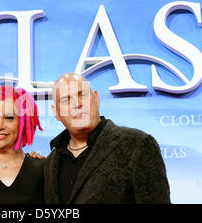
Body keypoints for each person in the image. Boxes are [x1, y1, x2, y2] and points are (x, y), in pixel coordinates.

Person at [44, 73, 171, 204]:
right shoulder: (51, 161)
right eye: (66, 100)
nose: (77, 104)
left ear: (96, 98)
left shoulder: (137, 144)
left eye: (82, 95)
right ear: (56, 112)